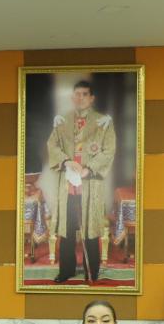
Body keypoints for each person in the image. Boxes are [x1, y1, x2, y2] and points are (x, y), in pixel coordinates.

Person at [46, 79, 115, 284]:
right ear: (72, 97)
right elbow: (52, 145)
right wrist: (66, 161)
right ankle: (66, 270)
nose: (81, 98)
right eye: (77, 94)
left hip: (89, 184)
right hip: (67, 185)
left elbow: (108, 150)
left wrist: (88, 169)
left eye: (85, 94)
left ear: (92, 98)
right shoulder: (62, 121)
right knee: (67, 231)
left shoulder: (103, 122)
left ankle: (91, 271)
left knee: (90, 230)